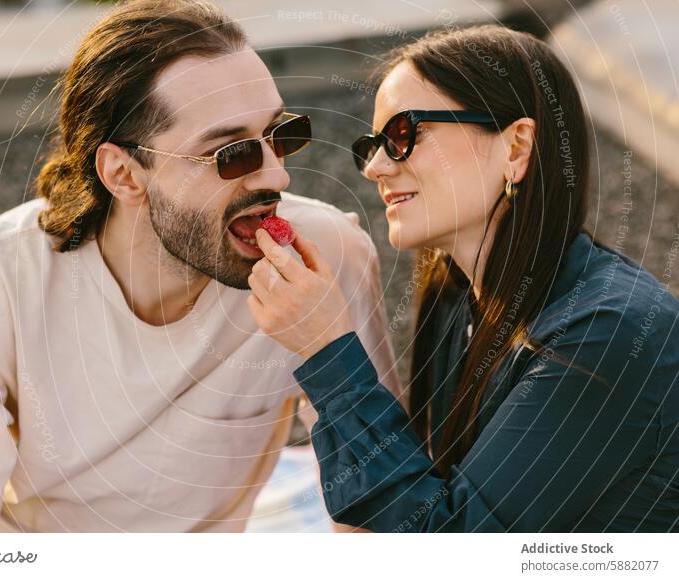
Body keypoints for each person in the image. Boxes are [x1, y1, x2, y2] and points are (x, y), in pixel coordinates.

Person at [0, 0, 400, 532]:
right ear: (125, 176)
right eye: (231, 153)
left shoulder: (325, 260)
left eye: (282, 134)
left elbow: (379, 506)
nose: (278, 178)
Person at [247, 25, 679, 532]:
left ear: (516, 147)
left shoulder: (607, 333)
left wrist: (328, 352)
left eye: (404, 134)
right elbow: (434, 487)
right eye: (372, 144)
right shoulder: (461, 298)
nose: (375, 168)